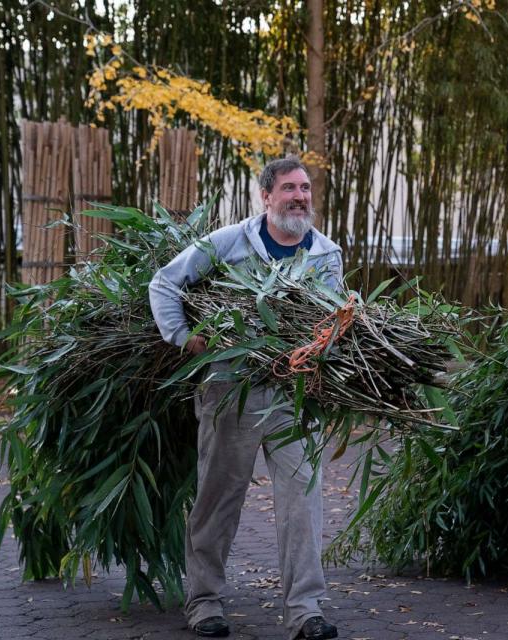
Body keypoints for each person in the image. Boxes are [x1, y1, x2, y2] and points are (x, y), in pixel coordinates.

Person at [149, 156, 342, 639]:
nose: (300, 196)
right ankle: (205, 601)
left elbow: (337, 320)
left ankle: (304, 609)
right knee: (218, 498)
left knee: (303, 502)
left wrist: (322, 352)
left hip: (296, 398)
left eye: (305, 188)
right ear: (266, 196)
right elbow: (164, 282)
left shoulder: (327, 254)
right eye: (289, 188)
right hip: (231, 391)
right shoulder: (228, 242)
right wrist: (183, 337)